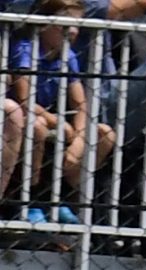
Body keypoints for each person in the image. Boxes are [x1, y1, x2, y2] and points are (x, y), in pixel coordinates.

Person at [4, 0, 113, 229]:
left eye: (76, 26)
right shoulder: (26, 48)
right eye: (65, 26)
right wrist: (58, 121)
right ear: (45, 24)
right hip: (23, 116)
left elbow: (81, 104)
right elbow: (24, 101)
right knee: (38, 125)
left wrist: (81, 138)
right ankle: (31, 199)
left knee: (105, 134)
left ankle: (62, 196)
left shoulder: (67, 56)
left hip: (52, 116)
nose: (72, 32)